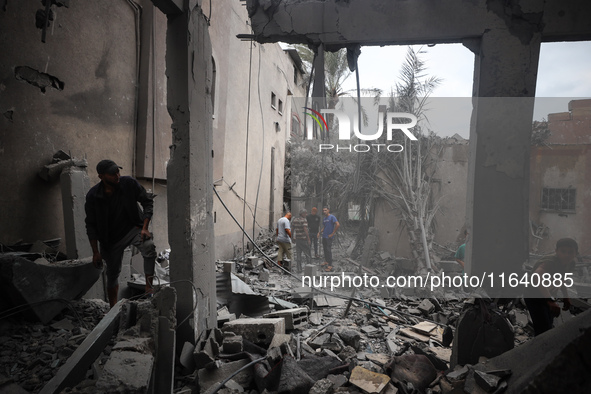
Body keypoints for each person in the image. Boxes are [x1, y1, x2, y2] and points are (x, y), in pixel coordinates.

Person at [85, 159, 157, 307]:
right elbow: (90, 224)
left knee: (149, 246)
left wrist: (144, 227)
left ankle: (149, 287)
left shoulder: (128, 183)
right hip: (110, 240)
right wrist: (95, 252)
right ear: (101, 176)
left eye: (118, 171)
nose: (117, 175)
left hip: (133, 229)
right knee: (112, 274)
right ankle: (113, 308)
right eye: (112, 174)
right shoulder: (93, 196)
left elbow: (147, 201)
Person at [524, 238, 577, 336]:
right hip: (534, 296)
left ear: (575, 254)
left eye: (570, 252)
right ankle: (539, 349)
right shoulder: (550, 262)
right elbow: (536, 276)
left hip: (547, 295)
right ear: (556, 251)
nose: (566, 255)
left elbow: (562, 277)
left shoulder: (571, 263)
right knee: (543, 330)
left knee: (548, 325)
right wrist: (550, 300)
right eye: (563, 251)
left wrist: (566, 296)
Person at [318, 207, 339, 272]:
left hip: (329, 237)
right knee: (325, 249)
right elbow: (324, 227)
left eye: (325, 210)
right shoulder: (324, 218)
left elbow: (337, 224)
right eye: (323, 210)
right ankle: (326, 261)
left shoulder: (332, 217)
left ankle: (330, 265)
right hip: (324, 236)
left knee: (328, 250)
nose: (324, 211)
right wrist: (319, 232)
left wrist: (333, 233)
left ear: (328, 210)